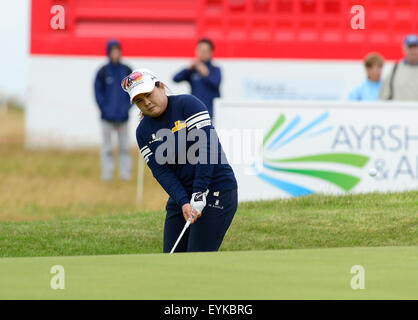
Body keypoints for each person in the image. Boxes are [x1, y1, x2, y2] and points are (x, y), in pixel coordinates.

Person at [122, 68, 237, 253]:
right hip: (181, 197)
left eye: (148, 95)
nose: (147, 103)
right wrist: (183, 201)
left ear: (160, 87)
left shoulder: (187, 104)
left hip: (217, 190)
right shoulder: (142, 132)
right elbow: (161, 171)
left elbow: (208, 149)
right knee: (172, 257)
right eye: (139, 101)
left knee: (196, 258)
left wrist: (199, 192)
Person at [94, 39, 133, 181]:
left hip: (123, 118)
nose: (116, 53)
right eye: (113, 51)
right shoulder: (103, 72)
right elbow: (98, 92)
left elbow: (134, 92)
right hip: (107, 119)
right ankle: (107, 176)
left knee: (124, 148)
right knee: (107, 148)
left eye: (118, 50)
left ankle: (125, 175)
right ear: (108, 53)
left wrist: (127, 108)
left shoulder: (127, 71)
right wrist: (104, 109)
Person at [172, 38, 221, 118]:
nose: (202, 53)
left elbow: (215, 83)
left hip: (212, 111)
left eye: (205, 51)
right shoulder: (192, 70)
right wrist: (187, 69)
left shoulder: (215, 69)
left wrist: (206, 74)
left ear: (210, 53)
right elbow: (175, 79)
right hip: (195, 110)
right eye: (200, 50)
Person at [379, 34, 418, 101]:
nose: (413, 50)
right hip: (399, 110)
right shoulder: (395, 69)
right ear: (404, 49)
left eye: (415, 47)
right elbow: (384, 96)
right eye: (410, 47)